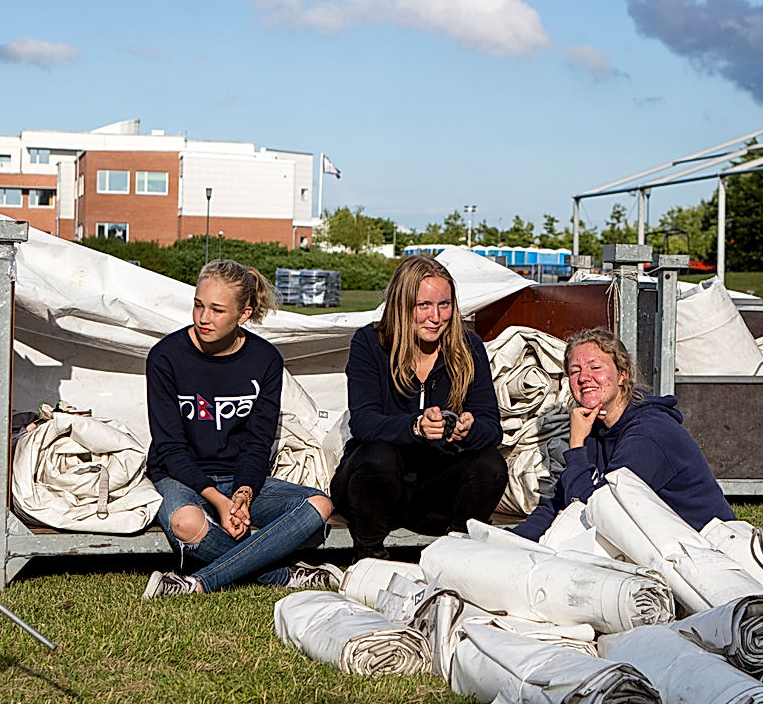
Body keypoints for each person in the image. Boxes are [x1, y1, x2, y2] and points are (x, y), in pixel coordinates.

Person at [141, 259, 337, 598]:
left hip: (238, 478)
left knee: (319, 505)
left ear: (243, 314)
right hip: (179, 476)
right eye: (198, 305)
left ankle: (198, 582)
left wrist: (243, 493)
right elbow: (170, 448)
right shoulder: (165, 357)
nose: (204, 318)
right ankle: (280, 576)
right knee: (185, 523)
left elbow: (258, 443)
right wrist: (218, 500)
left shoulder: (266, 361)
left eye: (217, 310)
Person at [330, 255, 508, 560]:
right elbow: (363, 422)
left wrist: (469, 429)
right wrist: (416, 427)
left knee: (491, 465)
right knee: (378, 455)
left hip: (431, 489)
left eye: (444, 305)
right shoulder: (370, 343)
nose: (436, 317)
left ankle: (458, 554)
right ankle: (370, 556)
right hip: (373, 487)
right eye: (423, 305)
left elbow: (492, 427)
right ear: (402, 304)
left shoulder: (468, 346)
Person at [512, 327, 735, 542]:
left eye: (595, 367)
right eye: (574, 371)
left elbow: (598, 512)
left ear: (622, 375)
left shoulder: (649, 433)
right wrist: (506, 541)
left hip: (704, 552)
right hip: (653, 544)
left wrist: (577, 446)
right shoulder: (597, 429)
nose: (583, 377)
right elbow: (561, 503)